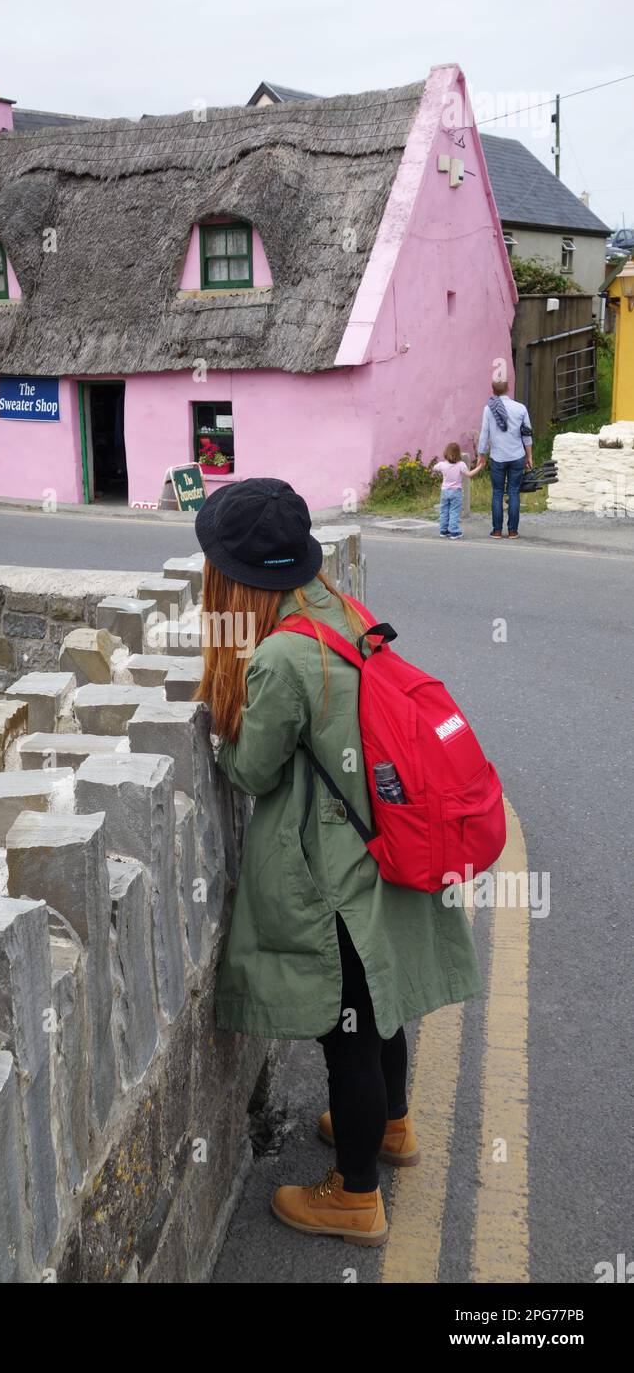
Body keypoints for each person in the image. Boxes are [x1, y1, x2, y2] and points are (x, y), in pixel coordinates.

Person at [194, 478, 482, 1246]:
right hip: (386, 854)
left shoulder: (281, 659)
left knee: (345, 1032)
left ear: (235, 577)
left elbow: (252, 772)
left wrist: (223, 734)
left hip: (337, 876)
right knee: (379, 1007)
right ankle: (391, 1129)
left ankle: (355, 1198)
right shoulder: (337, 612)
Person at [472, 378, 533, 538]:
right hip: (517, 455)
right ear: (508, 388)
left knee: (497, 493)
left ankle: (497, 530)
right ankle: (513, 531)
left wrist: (481, 455)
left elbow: (484, 433)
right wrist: (529, 455)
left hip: (498, 457)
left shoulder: (488, 409)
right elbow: (527, 434)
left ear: (493, 391)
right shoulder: (520, 408)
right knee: (514, 492)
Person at [433, 442, 481, 538]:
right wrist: (479, 467)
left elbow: (434, 468)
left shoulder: (442, 464)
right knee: (454, 511)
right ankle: (454, 531)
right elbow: (469, 475)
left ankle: (443, 530)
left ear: (446, 452)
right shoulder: (461, 465)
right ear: (458, 454)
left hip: (445, 492)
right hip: (456, 492)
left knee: (444, 511)